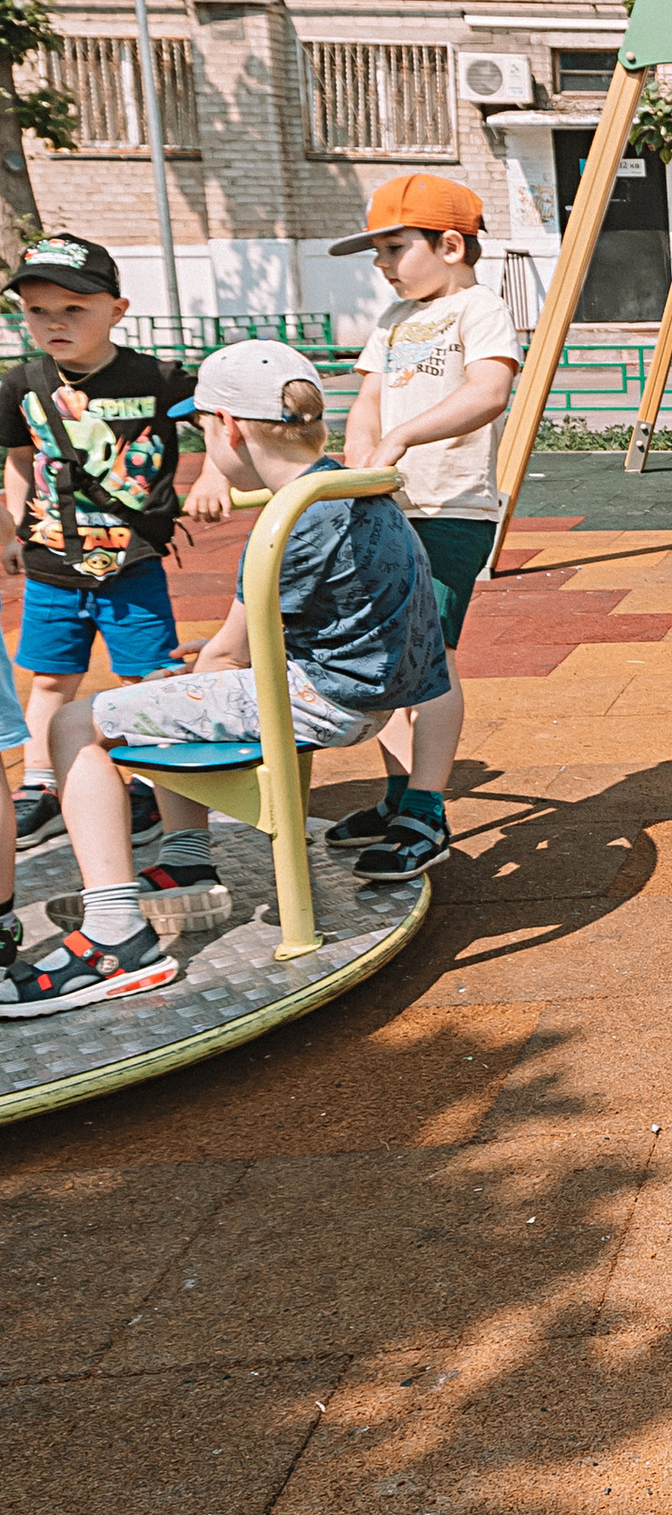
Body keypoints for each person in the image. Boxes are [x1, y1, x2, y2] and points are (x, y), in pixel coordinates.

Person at [0, 338, 449, 1016]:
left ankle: (115, 936)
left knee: (73, 722)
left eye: (200, 429)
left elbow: (230, 658)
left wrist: (212, 659)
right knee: (168, 693)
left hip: (314, 700)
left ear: (228, 428)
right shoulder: (350, 488)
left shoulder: (288, 520)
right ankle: (185, 858)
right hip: (363, 692)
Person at [0, 233, 229, 930]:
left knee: (154, 685)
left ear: (117, 308)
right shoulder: (21, 383)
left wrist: (215, 474)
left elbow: (218, 421)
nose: (55, 324)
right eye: (38, 311)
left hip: (130, 565)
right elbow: (17, 455)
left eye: (73, 307)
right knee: (46, 680)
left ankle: (184, 833)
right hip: (52, 564)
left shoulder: (156, 378)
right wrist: (14, 522)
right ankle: (43, 785)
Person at [323, 173, 520, 883]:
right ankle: (399, 796)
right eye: (377, 251)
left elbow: (488, 392)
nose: (381, 264)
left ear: (449, 243)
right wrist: (355, 474)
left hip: (450, 509)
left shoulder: (479, 308)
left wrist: (402, 439)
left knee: (428, 654)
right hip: (390, 507)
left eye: (393, 247)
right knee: (389, 660)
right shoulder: (392, 323)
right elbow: (366, 403)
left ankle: (429, 810)